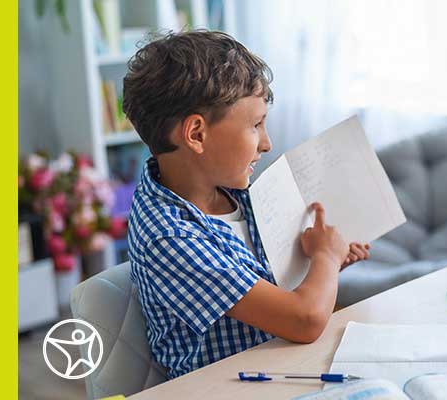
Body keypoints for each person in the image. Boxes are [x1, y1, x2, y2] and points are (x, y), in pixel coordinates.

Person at [123, 30, 370, 378]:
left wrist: (320, 265)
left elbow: (275, 291)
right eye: (256, 125)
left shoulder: (235, 195)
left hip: (283, 366)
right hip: (230, 387)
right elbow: (304, 320)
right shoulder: (168, 235)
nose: (267, 143)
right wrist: (325, 258)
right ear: (196, 134)